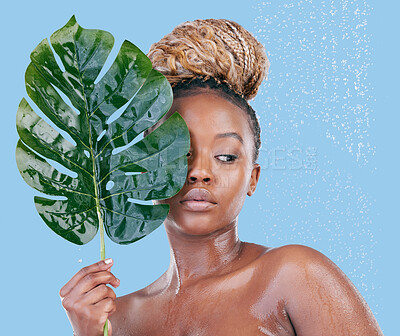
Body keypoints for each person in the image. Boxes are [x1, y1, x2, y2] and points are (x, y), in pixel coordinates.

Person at [59, 19, 383, 336]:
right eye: (179, 152)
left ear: (253, 178)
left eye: (226, 156)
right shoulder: (117, 319)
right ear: (147, 168)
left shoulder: (294, 275)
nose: (200, 172)